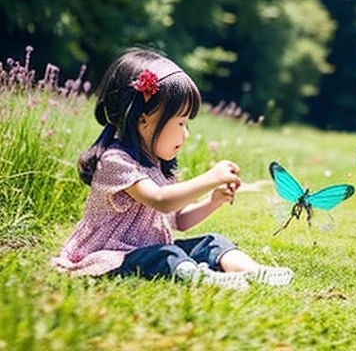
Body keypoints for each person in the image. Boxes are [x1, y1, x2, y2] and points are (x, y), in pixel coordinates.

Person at [51, 48, 294, 289]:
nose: (185, 134)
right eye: (180, 122)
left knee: (212, 242)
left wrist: (213, 201)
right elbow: (160, 200)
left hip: (152, 249)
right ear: (142, 119)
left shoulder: (158, 166)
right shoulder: (116, 161)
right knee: (165, 256)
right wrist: (210, 177)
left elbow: (177, 219)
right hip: (112, 254)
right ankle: (207, 279)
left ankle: (254, 272)